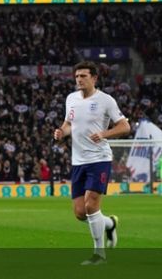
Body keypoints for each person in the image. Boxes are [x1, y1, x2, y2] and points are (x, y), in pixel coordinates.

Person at [53, 61, 130, 265]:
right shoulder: (71, 99)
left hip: (99, 159)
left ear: (94, 78)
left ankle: (99, 255)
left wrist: (105, 133)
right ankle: (110, 224)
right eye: (77, 76)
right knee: (80, 212)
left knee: (91, 204)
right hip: (78, 161)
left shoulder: (106, 100)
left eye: (83, 76)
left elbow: (125, 126)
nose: (79, 79)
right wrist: (62, 132)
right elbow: (69, 124)